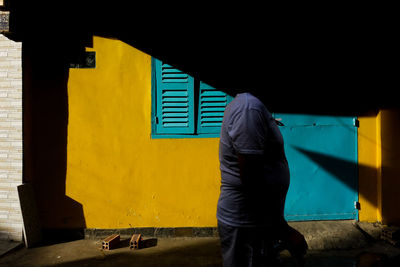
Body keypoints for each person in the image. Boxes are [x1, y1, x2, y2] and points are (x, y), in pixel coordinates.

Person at [217, 91, 308, 266]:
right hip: (244, 222)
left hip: (256, 220)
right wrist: (284, 231)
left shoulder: (252, 106)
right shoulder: (248, 109)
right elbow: (251, 179)